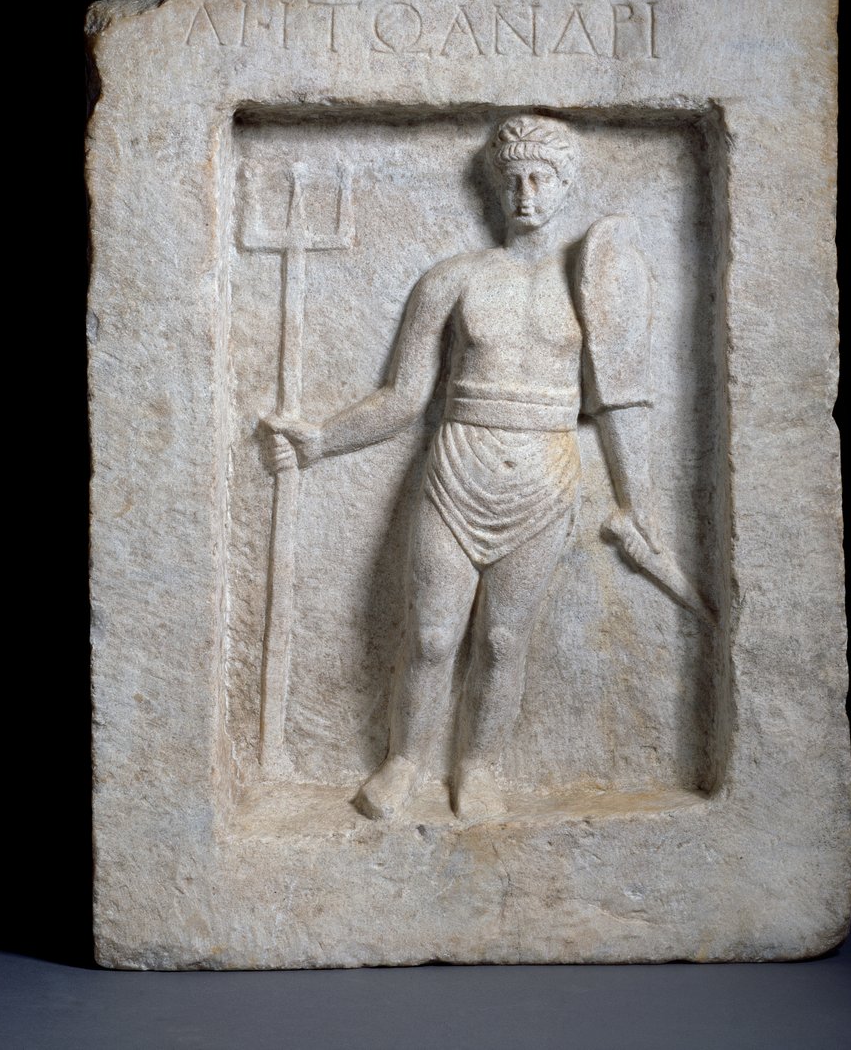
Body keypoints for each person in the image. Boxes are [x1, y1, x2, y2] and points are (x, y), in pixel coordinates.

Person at [264, 115, 656, 821]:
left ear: (566, 187)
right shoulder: (453, 279)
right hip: (457, 467)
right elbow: (402, 398)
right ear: (494, 189)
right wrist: (319, 440)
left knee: (504, 640)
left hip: (543, 473)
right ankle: (404, 763)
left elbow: (618, 396)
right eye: (512, 180)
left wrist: (638, 498)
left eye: (540, 179)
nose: (525, 194)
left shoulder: (590, 284)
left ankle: (478, 767)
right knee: (431, 634)